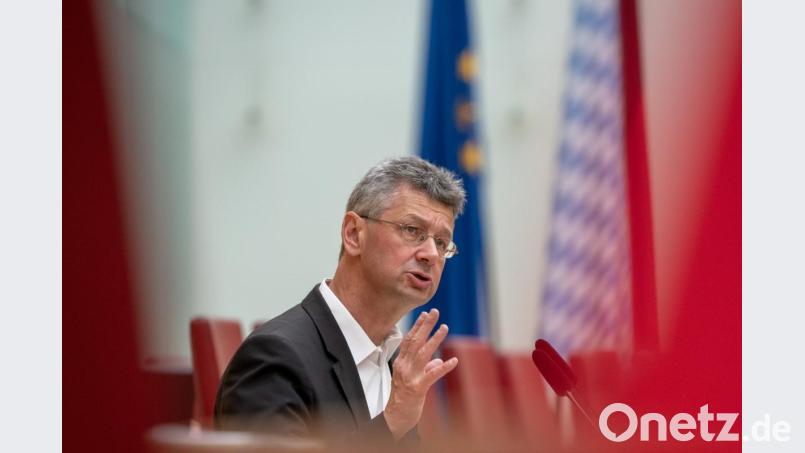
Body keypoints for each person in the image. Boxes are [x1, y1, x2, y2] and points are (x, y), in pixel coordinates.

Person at [214, 156, 466, 446]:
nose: (431, 254)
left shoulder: (396, 364)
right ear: (353, 234)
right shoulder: (275, 358)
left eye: (441, 243)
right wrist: (392, 421)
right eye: (412, 231)